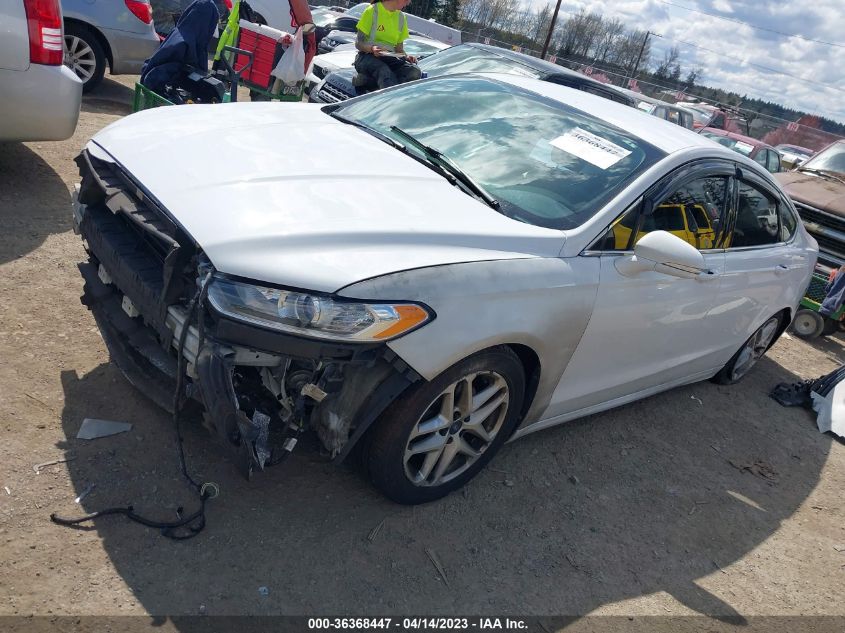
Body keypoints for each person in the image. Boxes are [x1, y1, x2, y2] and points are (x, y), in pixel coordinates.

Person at [353, 0, 421, 89]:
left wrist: (407, 57)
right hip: (366, 57)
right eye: (406, 0)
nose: (408, 3)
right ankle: (390, 98)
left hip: (389, 58)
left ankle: (367, 81)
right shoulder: (372, 11)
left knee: (414, 71)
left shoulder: (401, 17)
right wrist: (372, 49)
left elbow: (399, 50)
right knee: (384, 71)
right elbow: (358, 43)